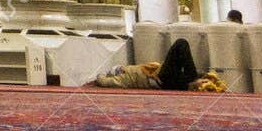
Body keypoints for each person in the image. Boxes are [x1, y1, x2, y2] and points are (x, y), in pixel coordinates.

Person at [93, 38, 226, 91]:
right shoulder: (125, 78)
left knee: (182, 48)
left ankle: (194, 79)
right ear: (119, 72)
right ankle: (193, 79)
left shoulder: (133, 68)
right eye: (119, 69)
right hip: (162, 81)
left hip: (167, 78)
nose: (122, 67)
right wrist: (104, 74)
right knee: (181, 43)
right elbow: (102, 81)